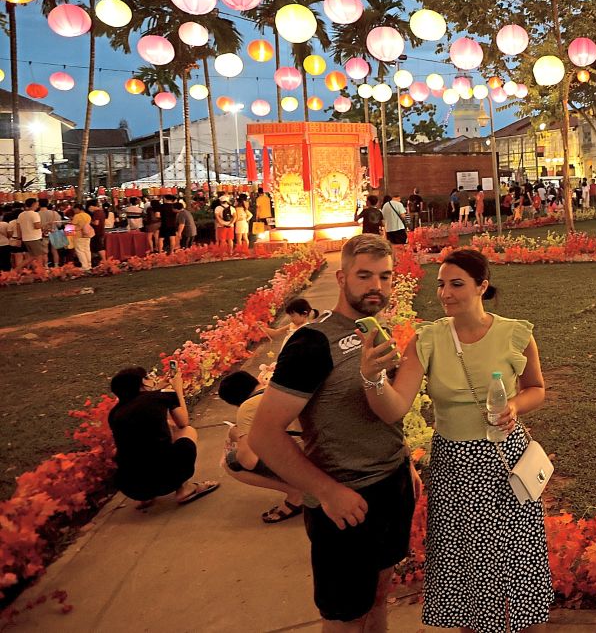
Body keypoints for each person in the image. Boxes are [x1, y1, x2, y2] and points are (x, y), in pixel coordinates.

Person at [249, 235, 417, 631]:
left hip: (390, 489)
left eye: (384, 277)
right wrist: (327, 492)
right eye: (364, 276)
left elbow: (380, 411)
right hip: (343, 504)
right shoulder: (312, 343)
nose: (376, 286)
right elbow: (264, 434)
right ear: (341, 278)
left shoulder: (377, 330)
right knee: (346, 618)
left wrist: (402, 457)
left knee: (378, 600)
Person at [411, 248, 553, 632]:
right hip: (454, 465)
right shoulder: (429, 339)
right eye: (441, 284)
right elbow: (396, 400)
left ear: (481, 286)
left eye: (457, 284)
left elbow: (536, 389)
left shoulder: (515, 333)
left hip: (504, 461)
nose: (445, 293)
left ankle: (528, 621)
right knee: (465, 559)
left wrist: (515, 407)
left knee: (519, 556)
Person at [107, 365, 219, 509]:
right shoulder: (161, 396)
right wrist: (177, 389)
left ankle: (146, 498)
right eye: (147, 377)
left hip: (132, 487)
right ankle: (184, 488)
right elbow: (183, 421)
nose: (150, 379)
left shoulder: (115, 413)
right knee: (187, 431)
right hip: (167, 478)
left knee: (135, 442)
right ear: (142, 383)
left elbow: (142, 404)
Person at [219, 370, 305, 524]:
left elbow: (248, 460)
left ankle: (296, 494)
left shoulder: (247, 407)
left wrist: (237, 436)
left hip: (305, 461)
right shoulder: (280, 391)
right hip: (321, 450)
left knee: (231, 462)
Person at [17, 198, 47, 268]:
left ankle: (16, 270)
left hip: (25, 239)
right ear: (33, 204)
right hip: (35, 238)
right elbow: (37, 226)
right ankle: (41, 273)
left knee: (32, 257)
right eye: (37, 204)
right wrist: (45, 224)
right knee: (39, 257)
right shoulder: (34, 214)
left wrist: (19, 237)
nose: (38, 205)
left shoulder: (21, 215)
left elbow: (18, 227)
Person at [38, 200, 62, 267]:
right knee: (55, 251)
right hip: (54, 232)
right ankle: (56, 266)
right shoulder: (54, 213)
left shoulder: (37, 214)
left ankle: (46, 267)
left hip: (43, 233)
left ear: (39, 205)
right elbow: (59, 224)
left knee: (44, 252)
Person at [71, 203, 94, 269]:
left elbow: (73, 225)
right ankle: (89, 265)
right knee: (87, 249)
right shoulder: (88, 215)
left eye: (74, 210)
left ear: (78, 209)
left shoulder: (77, 216)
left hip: (79, 235)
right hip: (87, 234)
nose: (74, 211)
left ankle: (84, 266)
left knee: (80, 250)